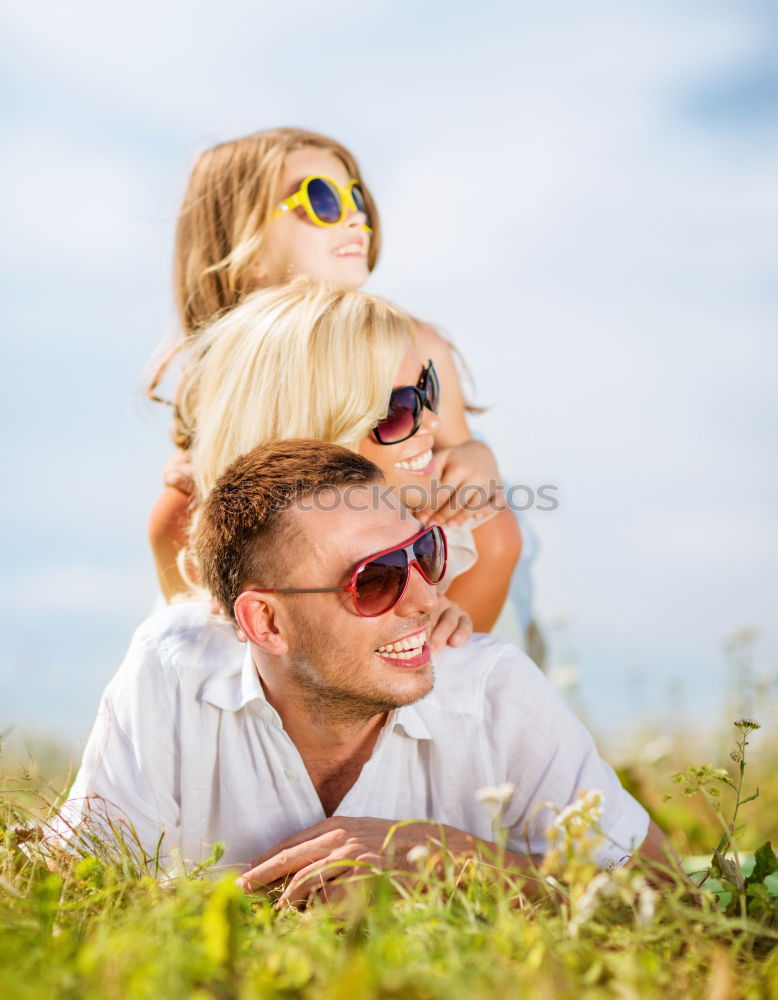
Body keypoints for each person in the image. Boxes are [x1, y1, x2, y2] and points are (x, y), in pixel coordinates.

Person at [55, 440, 667, 901]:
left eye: (424, 554)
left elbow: (667, 893)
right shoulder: (173, 668)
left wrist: (457, 858)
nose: (427, 599)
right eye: (374, 580)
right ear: (266, 623)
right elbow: (70, 890)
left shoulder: (493, 690)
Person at [146, 128, 526, 630]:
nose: (353, 215)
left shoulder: (412, 342)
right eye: (320, 198)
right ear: (249, 247)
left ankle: (450, 672)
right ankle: (215, 638)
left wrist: (478, 458)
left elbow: (458, 445)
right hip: (295, 536)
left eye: (356, 197)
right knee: (177, 511)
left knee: (492, 528)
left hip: (400, 510)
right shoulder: (224, 367)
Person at [175, 280, 518, 632]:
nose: (433, 420)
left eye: (427, 388)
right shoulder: (185, 633)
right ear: (315, 430)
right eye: (396, 409)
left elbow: (450, 682)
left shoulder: (464, 545)